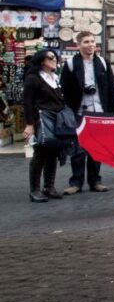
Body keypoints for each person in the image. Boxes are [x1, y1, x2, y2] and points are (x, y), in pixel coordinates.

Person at [60, 31, 114, 195]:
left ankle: (95, 181)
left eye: (93, 41)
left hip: (99, 112)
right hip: (79, 112)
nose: (91, 45)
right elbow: (64, 89)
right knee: (78, 150)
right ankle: (76, 182)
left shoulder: (102, 62)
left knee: (97, 149)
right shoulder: (71, 64)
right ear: (78, 45)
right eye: (86, 42)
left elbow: (112, 89)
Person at [23, 50, 65, 202]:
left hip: (55, 119)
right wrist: (29, 124)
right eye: (51, 57)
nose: (55, 59)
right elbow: (27, 103)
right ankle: (34, 190)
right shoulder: (33, 78)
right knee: (40, 154)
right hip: (41, 119)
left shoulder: (54, 77)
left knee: (52, 153)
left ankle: (49, 186)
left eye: (55, 57)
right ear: (42, 61)